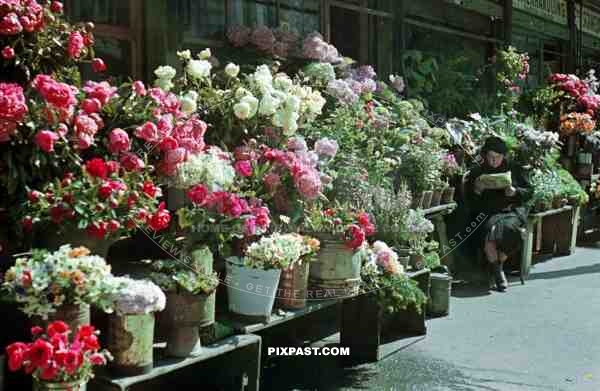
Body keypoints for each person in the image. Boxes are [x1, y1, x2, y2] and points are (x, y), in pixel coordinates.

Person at [466, 136, 531, 292]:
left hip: (511, 212)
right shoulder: (478, 170)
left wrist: (515, 192)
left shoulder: (514, 168)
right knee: (490, 232)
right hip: (487, 213)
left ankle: (497, 265)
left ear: (503, 156)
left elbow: (529, 192)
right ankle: (498, 273)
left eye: (497, 157)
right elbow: (469, 200)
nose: (493, 161)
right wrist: (477, 190)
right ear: (485, 156)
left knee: (510, 230)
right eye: (490, 157)